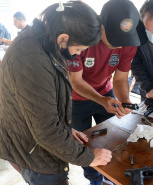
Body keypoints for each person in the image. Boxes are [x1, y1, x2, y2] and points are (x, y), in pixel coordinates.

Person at [0, 1, 112, 185]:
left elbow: (40, 103)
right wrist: (88, 157)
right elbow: (46, 131)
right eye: (78, 50)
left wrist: (65, 129)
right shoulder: (32, 59)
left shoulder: (42, 40)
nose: (77, 55)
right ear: (63, 39)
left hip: (31, 135)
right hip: (32, 151)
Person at [68, 0, 140, 184]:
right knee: (85, 143)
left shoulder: (128, 43)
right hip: (76, 98)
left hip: (106, 92)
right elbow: (76, 80)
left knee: (115, 138)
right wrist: (100, 100)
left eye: (123, 40)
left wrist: (125, 100)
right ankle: (94, 180)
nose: (119, 45)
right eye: (115, 38)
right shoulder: (81, 37)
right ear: (101, 25)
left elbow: (121, 78)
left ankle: (112, 176)